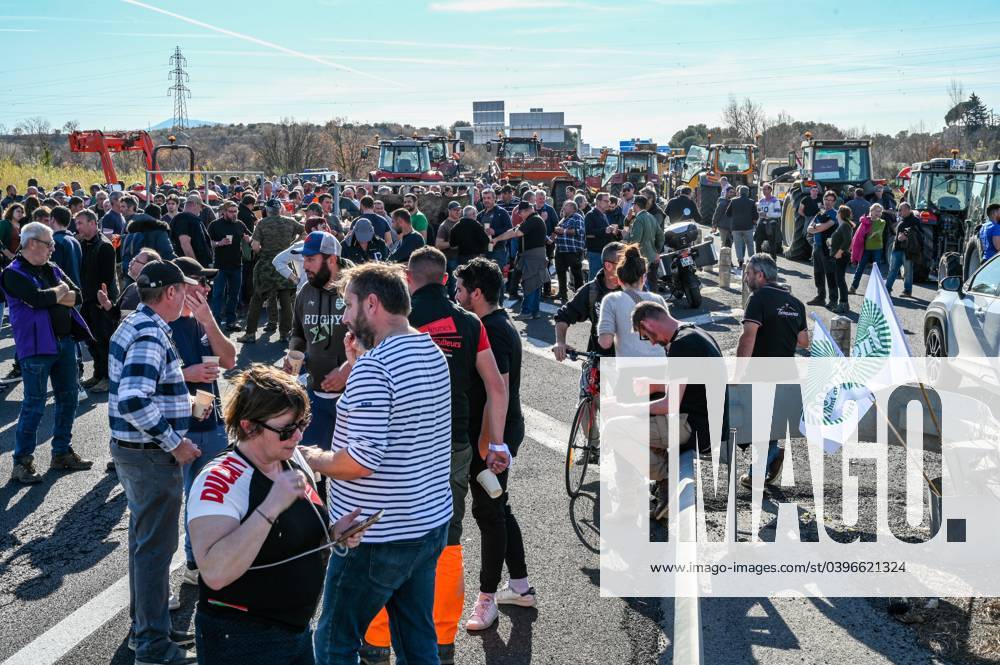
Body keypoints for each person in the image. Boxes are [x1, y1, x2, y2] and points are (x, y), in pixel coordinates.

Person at [301, 262, 457, 665]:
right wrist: (358, 364)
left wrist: (311, 458)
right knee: (417, 638)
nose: (344, 316)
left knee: (335, 640)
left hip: (374, 531)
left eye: (348, 305)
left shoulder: (376, 367)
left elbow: (360, 461)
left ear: (372, 304)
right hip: (427, 520)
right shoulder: (430, 350)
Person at [356, 247, 507, 663]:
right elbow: (496, 385)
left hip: (402, 441)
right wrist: (494, 443)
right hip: (454, 441)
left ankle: (378, 638)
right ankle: (442, 638)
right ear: (445, 279)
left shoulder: (396, 320)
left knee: (387, 534)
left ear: (408, 277)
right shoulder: (470, 321)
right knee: (447, 538)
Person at [188, 365, 364, 665]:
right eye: (286, 428)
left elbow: (289, 539)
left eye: (302, 423)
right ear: (248, 425)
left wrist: (335, 534)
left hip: (295, 630)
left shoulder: (290, 457)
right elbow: (215, 572)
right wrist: (270, 506)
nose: (297, 435)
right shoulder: (219, 479)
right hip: (242, 640)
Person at [109, 259, 202, 665]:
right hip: (150, 455)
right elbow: (133, 398)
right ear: (170, 293)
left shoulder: (137, 323)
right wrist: (174, 441)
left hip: (134, 452)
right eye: (182, 289)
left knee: (143, 545)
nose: (186, 295)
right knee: (153, 550)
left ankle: (148, 628)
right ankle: (150, 642)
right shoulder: (149, 332)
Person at [453, 258, 534, 631]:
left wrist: (492, 446)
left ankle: (487, 598)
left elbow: (496, 390)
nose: (456, 296)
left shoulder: (493, 330)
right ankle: (519, 586)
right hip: (494, 434)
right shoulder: (496, 323)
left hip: (491, 436)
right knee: (500, 508)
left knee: (489, 514)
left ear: (477, 293)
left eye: (461, 290)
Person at [2, 222, 94, 484]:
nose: (53, 248)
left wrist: (55, 293)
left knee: (69, 399)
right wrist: (58, 292)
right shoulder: (13, 273)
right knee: (34, 405)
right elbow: (37, 299)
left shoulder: (51, 267)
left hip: (64, 343)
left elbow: (78, 295)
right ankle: (22, 463)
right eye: (48, 243)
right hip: (36, 347)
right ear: (32, 243)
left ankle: (61, 452)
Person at [169, 256, 237, 589]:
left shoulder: (200, 321)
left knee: (205, 495)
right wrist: (186, 374)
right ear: (180, 286)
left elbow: (228, 359)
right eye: (200, 282)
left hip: (208, 420)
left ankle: (196, 563)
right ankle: (162, 586)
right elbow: (134, 380)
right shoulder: (161, 324)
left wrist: (208, 320)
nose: (207, 287)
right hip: (172, 428)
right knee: (169, 503)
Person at [630, 301, 726, 518]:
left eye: (645, 335)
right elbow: (688, 383)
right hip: (709, 420)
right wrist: (653, 385)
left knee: (615, 429)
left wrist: (625, 409)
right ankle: (665, 480)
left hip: (696, 426)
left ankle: (666, 482)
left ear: (647, 323)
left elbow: (669, 404)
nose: (652, 343)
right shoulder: (694, 333)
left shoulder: (682, 346)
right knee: (645, 414)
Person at [737, 253, 808, 488]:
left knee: (751, 421)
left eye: (748, 273)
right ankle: (772, 456)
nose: (746, 278)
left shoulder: (758, 299)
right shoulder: (796, 303)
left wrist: (739, 373)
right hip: (786, 372)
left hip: (761, 371)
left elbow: (748, 338)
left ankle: (760, 469)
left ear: (761, 275)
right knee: (770, 423)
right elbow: (804, 341)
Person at [287, 231, 349, 452]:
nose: (304, 266)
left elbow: (374, 343)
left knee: (349, 467)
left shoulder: (355, 291)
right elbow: (298, 333)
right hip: (314, 395)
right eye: (304, 259)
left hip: (352, 399)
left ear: (332, 260)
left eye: (311, 259)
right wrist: (292, 353)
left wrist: (347, 371)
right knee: (312, 462)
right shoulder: (306, 291)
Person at [238, 199, 303, 344]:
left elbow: (255, 246)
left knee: (257, 299)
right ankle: (285, 333)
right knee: (286, 300)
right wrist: (291, 247)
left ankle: (250, 334)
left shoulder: (262, 223)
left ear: (267, 210)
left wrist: (263, 251)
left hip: (266, 266)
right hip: (285, 264)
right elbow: (304, 232)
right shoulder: (290, 222)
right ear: (280, 209)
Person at [553, 242, 623, 360]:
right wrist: (560, 342)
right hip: (599, 360)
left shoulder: (635, 288)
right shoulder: (591, 290)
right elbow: (563, 316)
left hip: (631, 363)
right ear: (609, 266)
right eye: (623, 263)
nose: (629, 267)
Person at [76, 208, 120, 392]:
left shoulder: (104, 246)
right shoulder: (82, 244)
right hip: (87, 299)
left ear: (93, 223)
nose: (77, 226)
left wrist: (102, 300)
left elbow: (107, 278)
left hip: (102, 301)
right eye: (76, 223)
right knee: (91, 341)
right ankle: (97, 374)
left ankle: (108, 378)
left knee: (104, 340)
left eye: (80, 223)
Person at [597, 244, 667, 359]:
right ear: (644, 278)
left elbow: (605, 342)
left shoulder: (611, 300)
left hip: (629, 368)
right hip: (659, 365)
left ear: (619, 279)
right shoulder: (657, 300)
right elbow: (668, 339)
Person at [493, 201, 548, 320]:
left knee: (530, 284)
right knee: (535, 284)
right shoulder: (531, 220)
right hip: (533, 256)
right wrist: (497, 239)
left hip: (533, 257)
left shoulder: (534, 220)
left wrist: (497, 238)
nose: (519, 215)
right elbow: (513, 230)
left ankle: (526, 311)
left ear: (527, 210)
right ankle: (534, 311)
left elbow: (516, 233)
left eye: (521, 212)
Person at [207, 200, 252, 332]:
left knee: (234, 295)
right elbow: (208, 243)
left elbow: (249, 236)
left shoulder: (239, 224)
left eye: (235, 211)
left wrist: (248, 240)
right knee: (218, 294)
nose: (234, 214)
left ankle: (231, 321)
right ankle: (216, 321)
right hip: (220, 265)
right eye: (231, 212)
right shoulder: (215, 225)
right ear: (224, 212)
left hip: (237, 264)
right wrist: (218, 243)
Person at [805, 190, 839, 308]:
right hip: (817, 247)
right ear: (823, 200)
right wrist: (816, 227)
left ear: (834, 202)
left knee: (830, 274)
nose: (828, 202)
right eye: (826, 200)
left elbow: (826, 226)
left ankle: (833, 300)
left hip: (828, 249)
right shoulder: (819, 213)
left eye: (831, 200)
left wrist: (816, 227)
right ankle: (820, 297)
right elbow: (809, 229)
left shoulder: (835, 214)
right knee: (818, 274)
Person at [122, 202, 176, 275]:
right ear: (159, 216)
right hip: (151, 273)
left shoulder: (131, 230)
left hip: (130, 271)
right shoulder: (159, 230)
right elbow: (168, 253)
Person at [624, 195, 664, 289]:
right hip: (653, 256)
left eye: (633, 204)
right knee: (652, 283)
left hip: (642, 258)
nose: (632, 207)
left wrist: (626, 236)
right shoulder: (651, 217)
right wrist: (657, 252)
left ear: (636, 205)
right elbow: (661, 236)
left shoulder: (639, 219)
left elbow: (635, 241)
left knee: (642, 284)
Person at [849, 202, 887, 294]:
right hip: (865, 248)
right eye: (876, 211)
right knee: (860, 267)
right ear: (871, 211)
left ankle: (877, 289)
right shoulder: (865, 221)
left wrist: (870, 233)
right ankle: (853, 287)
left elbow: (878, 233)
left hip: (877, 248)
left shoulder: (882, 222)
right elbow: (858, 235)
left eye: (880, 211)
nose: (878, 213)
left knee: (876, 269)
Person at [553, 199, 586, 301]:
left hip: (573, 251)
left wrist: (564, 231)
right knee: (560, 272)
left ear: (572, 208)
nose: (563, 207)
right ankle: (562, 293)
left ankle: (579, 295)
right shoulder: (563, 219)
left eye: (565, 205)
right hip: (561, 250)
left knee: (576, 274)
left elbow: (580, 231)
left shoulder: (577, 217)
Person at [885, 201, 920, 297]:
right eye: (899, 210)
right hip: (896, 249)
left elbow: (918, 234)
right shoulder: (901, 220)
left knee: (908, 272)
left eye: (902, 210)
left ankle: (907, 291)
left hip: (907, 250)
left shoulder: (915, 221)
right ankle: (887, 289)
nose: (900, 212)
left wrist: (906, 236)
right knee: (892, 270)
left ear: (908, 210)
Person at [170, 195, 213, 268]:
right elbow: (185, 243)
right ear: (194, 204)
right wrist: (195, 267)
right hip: (187, 268)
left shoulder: (188, 218)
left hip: (191, 265)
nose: (201, 210)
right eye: (201, 207)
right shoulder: (184, 218)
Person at [477, 188, 513, 271]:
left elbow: (510, 230)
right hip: (483, 251)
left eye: (489, 198)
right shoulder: (480, 215)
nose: (486, 200)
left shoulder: (502, 212)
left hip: (498, 250)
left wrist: (495, 231)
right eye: (484, 198)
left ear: (494, 199)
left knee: (496, 277)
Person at [584, 192, 618, 277]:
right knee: (594, 277)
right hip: (595, 252)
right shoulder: (590, 215)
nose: (608, 203)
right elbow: (587, 232)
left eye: (608, 201)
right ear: (598, 202)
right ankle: (591, 290)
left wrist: (613, 231)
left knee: (602, 278)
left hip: (603, 252)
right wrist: (605, 230)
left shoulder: (604, 215)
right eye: (606, 201)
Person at [828, 206, 855, 314]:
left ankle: (843, 304)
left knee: (840, 280)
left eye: (838, 211)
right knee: (839, 279)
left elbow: (847, 240)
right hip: (839, 255)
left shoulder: (845, 225)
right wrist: (831, 243)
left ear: (840, 213)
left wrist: (839, 252)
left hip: (842, 256)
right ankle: (844, 304)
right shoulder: (843, 225)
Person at [726, 185, 759, 271]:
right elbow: (755, 216)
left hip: (736, 227)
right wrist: (753, 222)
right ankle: (752, 262)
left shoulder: (733, 201)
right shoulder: (751, 202)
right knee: (750, 244)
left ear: (739, 192)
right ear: (748, 193)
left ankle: (740, 263)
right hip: (748, 227)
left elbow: (728, 213)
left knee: (738, 245)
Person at [48, 205, 82, 288]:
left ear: (52, 219)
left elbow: (55, 271)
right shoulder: (75, 241)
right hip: (76, 289)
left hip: (64, 291)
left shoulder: (56, 242)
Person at [754, 184, 781, 259]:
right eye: (763, 189)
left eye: (765, 189)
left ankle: (773, 259)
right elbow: (758, 210)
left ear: (770, 190)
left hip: (771, 223)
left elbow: (778, 214)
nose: (763, 191)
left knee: (772, 243)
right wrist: (759, 213)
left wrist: (767, 214)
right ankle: (758, 258)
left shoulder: (775, 201)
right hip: (761, 222)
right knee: (757, 241)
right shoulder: (761, 200)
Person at [712, 186, 736, 250]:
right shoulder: (722, 202)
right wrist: (714, 224)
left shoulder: (734, 202)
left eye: (733, 192)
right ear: (726, 192)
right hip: (723, 226)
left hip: (731, 227)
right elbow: (717, 214)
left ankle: (727, 259)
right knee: (724, 243)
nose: (732, 194)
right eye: (730, 192)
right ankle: (722, 259)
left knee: (730, 243)